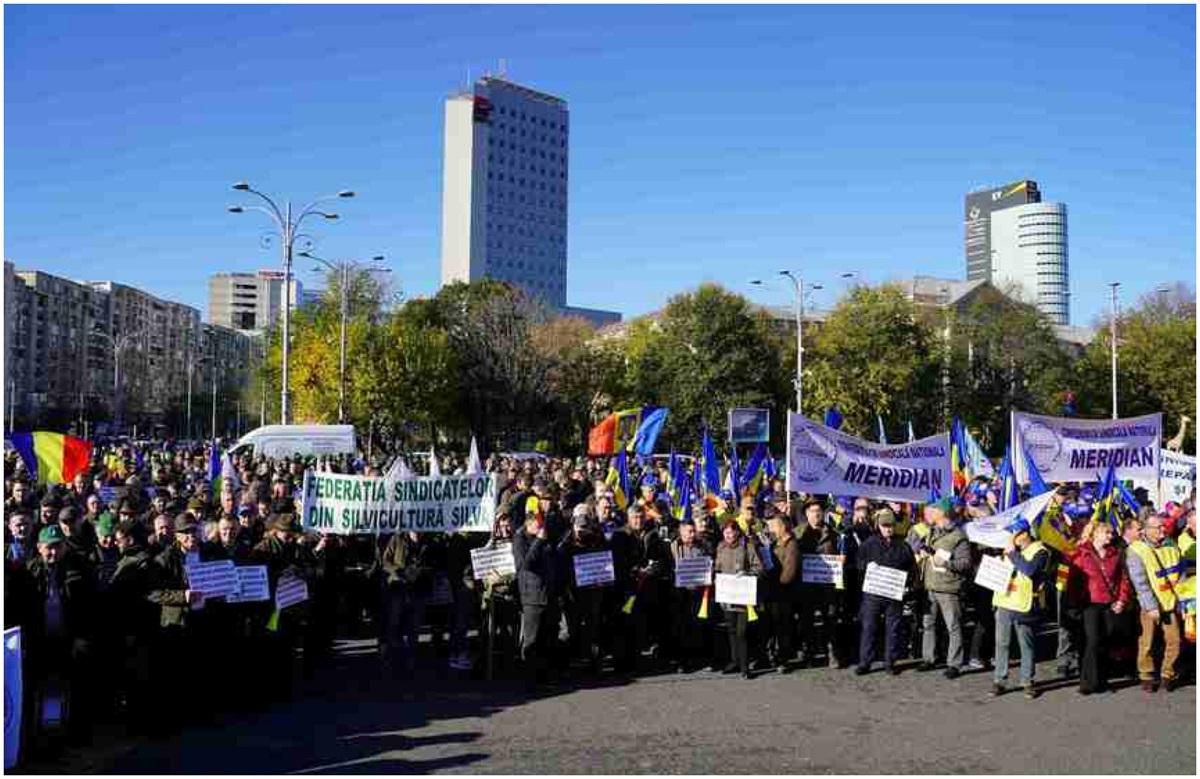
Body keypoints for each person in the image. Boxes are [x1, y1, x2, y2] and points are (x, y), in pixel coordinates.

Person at [1069, 520, 1133, 695]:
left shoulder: (1116, 554)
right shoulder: (1082, 554)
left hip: (1110, 604)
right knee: (1092, 642)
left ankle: (1103, 680)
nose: (1110, 536)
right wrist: (1074, 604)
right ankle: (1088, 682)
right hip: (1090, 604)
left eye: (1111, 533)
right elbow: (1074, 582)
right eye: (1107, 533)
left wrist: (1122, 600)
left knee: (1106, 641)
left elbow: (1123, 579)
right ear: (1095, 534)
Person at [990, 517, 1050, 699]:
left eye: (1013, 534)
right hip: (1004, 601)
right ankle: (999, 680)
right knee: (1002, 643)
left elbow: (1029, 570)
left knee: (1026, 644)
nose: (1010, 537)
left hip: (1024, 604)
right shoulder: (1009, 550)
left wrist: (1012, 554)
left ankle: (1027, 681)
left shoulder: (1040, 551)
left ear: (1023, 534)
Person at [1126, 513, 1184, 692]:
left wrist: (1181, 599)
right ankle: (1146, 674)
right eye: (1157, 527)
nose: (1162, 529)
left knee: (1174, 640)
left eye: (1163, 526)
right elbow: (1140, 582)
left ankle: (1168, 673)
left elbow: (1180, 573)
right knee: (1147, 641)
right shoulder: (1136, 550)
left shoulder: (1171, 546)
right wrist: (1150, 606)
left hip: (1170, 602)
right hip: (1149, 605)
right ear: (1146, 530)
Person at [855, 508, 914, 675]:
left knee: (893, 628)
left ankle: (890, 661)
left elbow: (911, 568)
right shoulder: (869, 544)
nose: (888, 528)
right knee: (869, 627)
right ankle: (865, 662)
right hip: (872, 594)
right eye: (884, 525)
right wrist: (866, 568)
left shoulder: (903, 545)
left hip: (893, 594)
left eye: (891, 525)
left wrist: (907, 584)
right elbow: (858, 564)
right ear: (878, 526)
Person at [918, 497, 971, 678]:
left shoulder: (958, 536)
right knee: (928, 624)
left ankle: (954, 664)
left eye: (932, 510)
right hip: (930, 585)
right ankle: (929, 658)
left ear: (941, 513)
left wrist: (947, 563)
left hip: (949, 588)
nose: (928, 513)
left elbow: (965, 564)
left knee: (953, 626)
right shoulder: (931, 531)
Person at [513, 508, 561, 685]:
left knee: (546, 638)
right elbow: (526, 563)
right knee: (531, 639)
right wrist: (539, 541)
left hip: (548, 594)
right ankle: (530, 676)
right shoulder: (520, 540)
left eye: (541, 523)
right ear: (528, 523)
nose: (541, 526)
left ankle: (544, 674)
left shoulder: (546, 539)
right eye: (537, 523)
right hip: (532, 596)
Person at [714, 517, 762, 678]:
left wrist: (747, 573)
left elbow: (759, 568)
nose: (728, 535)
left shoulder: (747, 546)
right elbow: (717, 567)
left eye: (731, 532)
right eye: (725, 532)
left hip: (743, 598)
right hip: (727, 596)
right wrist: (715, 575)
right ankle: (734, 661)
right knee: (731, 630)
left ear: (737, 532)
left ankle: (745, 666)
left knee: (742, 632)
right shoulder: (720, 547)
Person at [667, 512, 713, 673]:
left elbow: (709, 564)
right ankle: (682, 661)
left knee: (698, 626)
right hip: (680, 593)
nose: (692, 535)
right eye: (688, 532)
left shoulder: (703, 546)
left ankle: (700, 659)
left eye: (693, 531)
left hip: (698, 593)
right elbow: (668, 567)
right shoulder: (672, 547)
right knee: (681, 628)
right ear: (681, 532)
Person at [764, 507, 799, 673]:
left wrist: (776, 583)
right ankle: (772, 656)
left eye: (773, 526)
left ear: (782, 527)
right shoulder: (773, 544)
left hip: (783, 592)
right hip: (772, 592)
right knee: (772, 626)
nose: (770, 530)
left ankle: (783, 659)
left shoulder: (791, 545)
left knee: (782, 627)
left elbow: (788, 573)